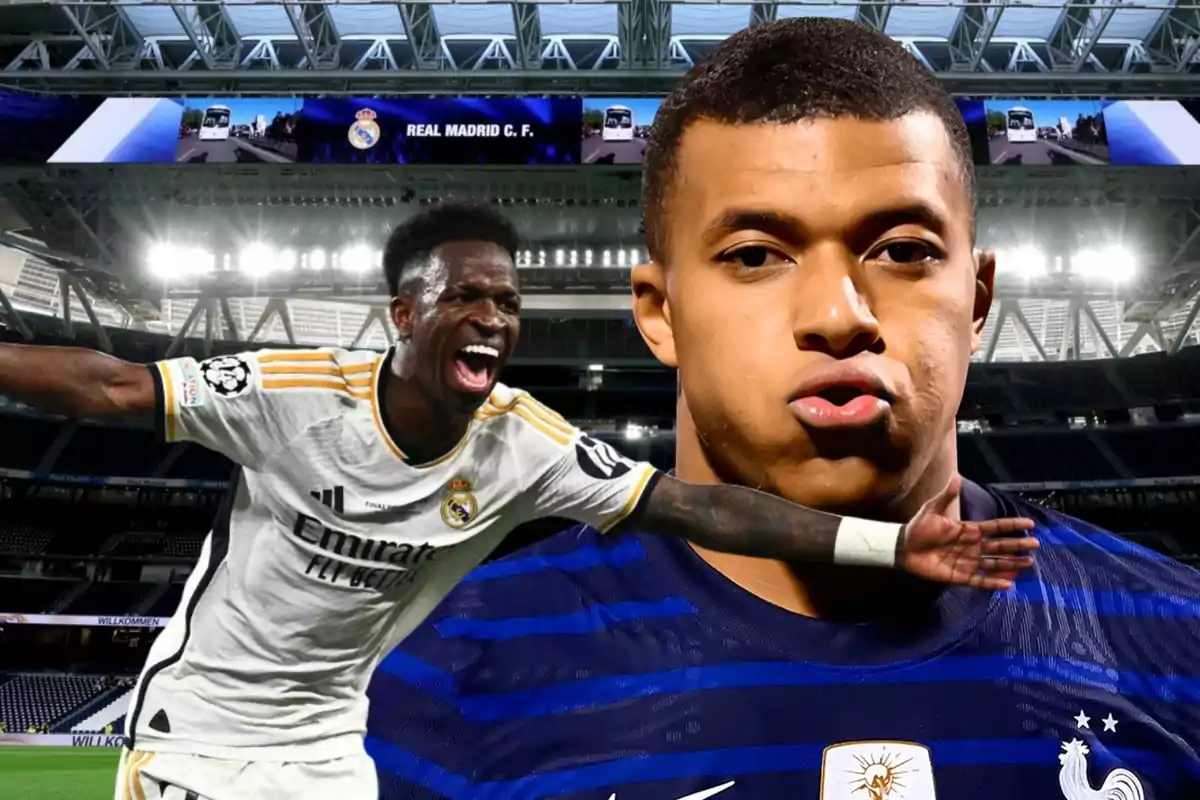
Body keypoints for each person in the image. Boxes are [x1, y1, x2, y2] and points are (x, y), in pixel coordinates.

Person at [365, 19, 1200, 800]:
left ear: (976, 299)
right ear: (659, 313)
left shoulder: (1180, 639)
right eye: (756, 254)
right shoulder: (437, 674)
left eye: (903, 251)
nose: (839, 315)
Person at [0, 204, 1033, 800]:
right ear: (403, 315)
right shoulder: (290, 395)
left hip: (325, 750)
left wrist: (888, 543)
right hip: (200, 732)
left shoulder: (520, 444)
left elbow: (701, 508)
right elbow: (109, 385)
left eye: (507, 301)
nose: (493, 318)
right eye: (465, 297)